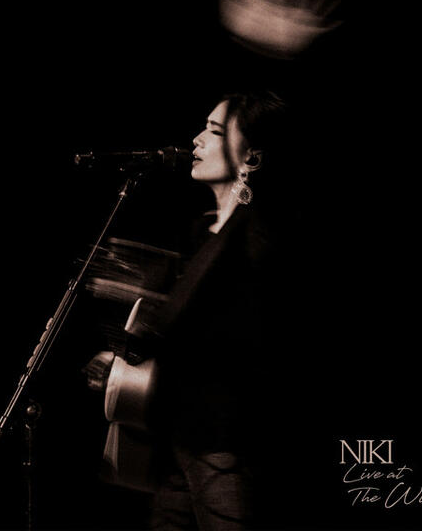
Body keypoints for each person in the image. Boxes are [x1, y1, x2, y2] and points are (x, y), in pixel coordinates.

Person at [138, 89, 294, 530]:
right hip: (181, 438)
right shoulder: (201, 234)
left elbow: (251, 337)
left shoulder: (261, 233)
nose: (197, 139)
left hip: (226, 441)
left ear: (251, 157)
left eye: (215, 131)